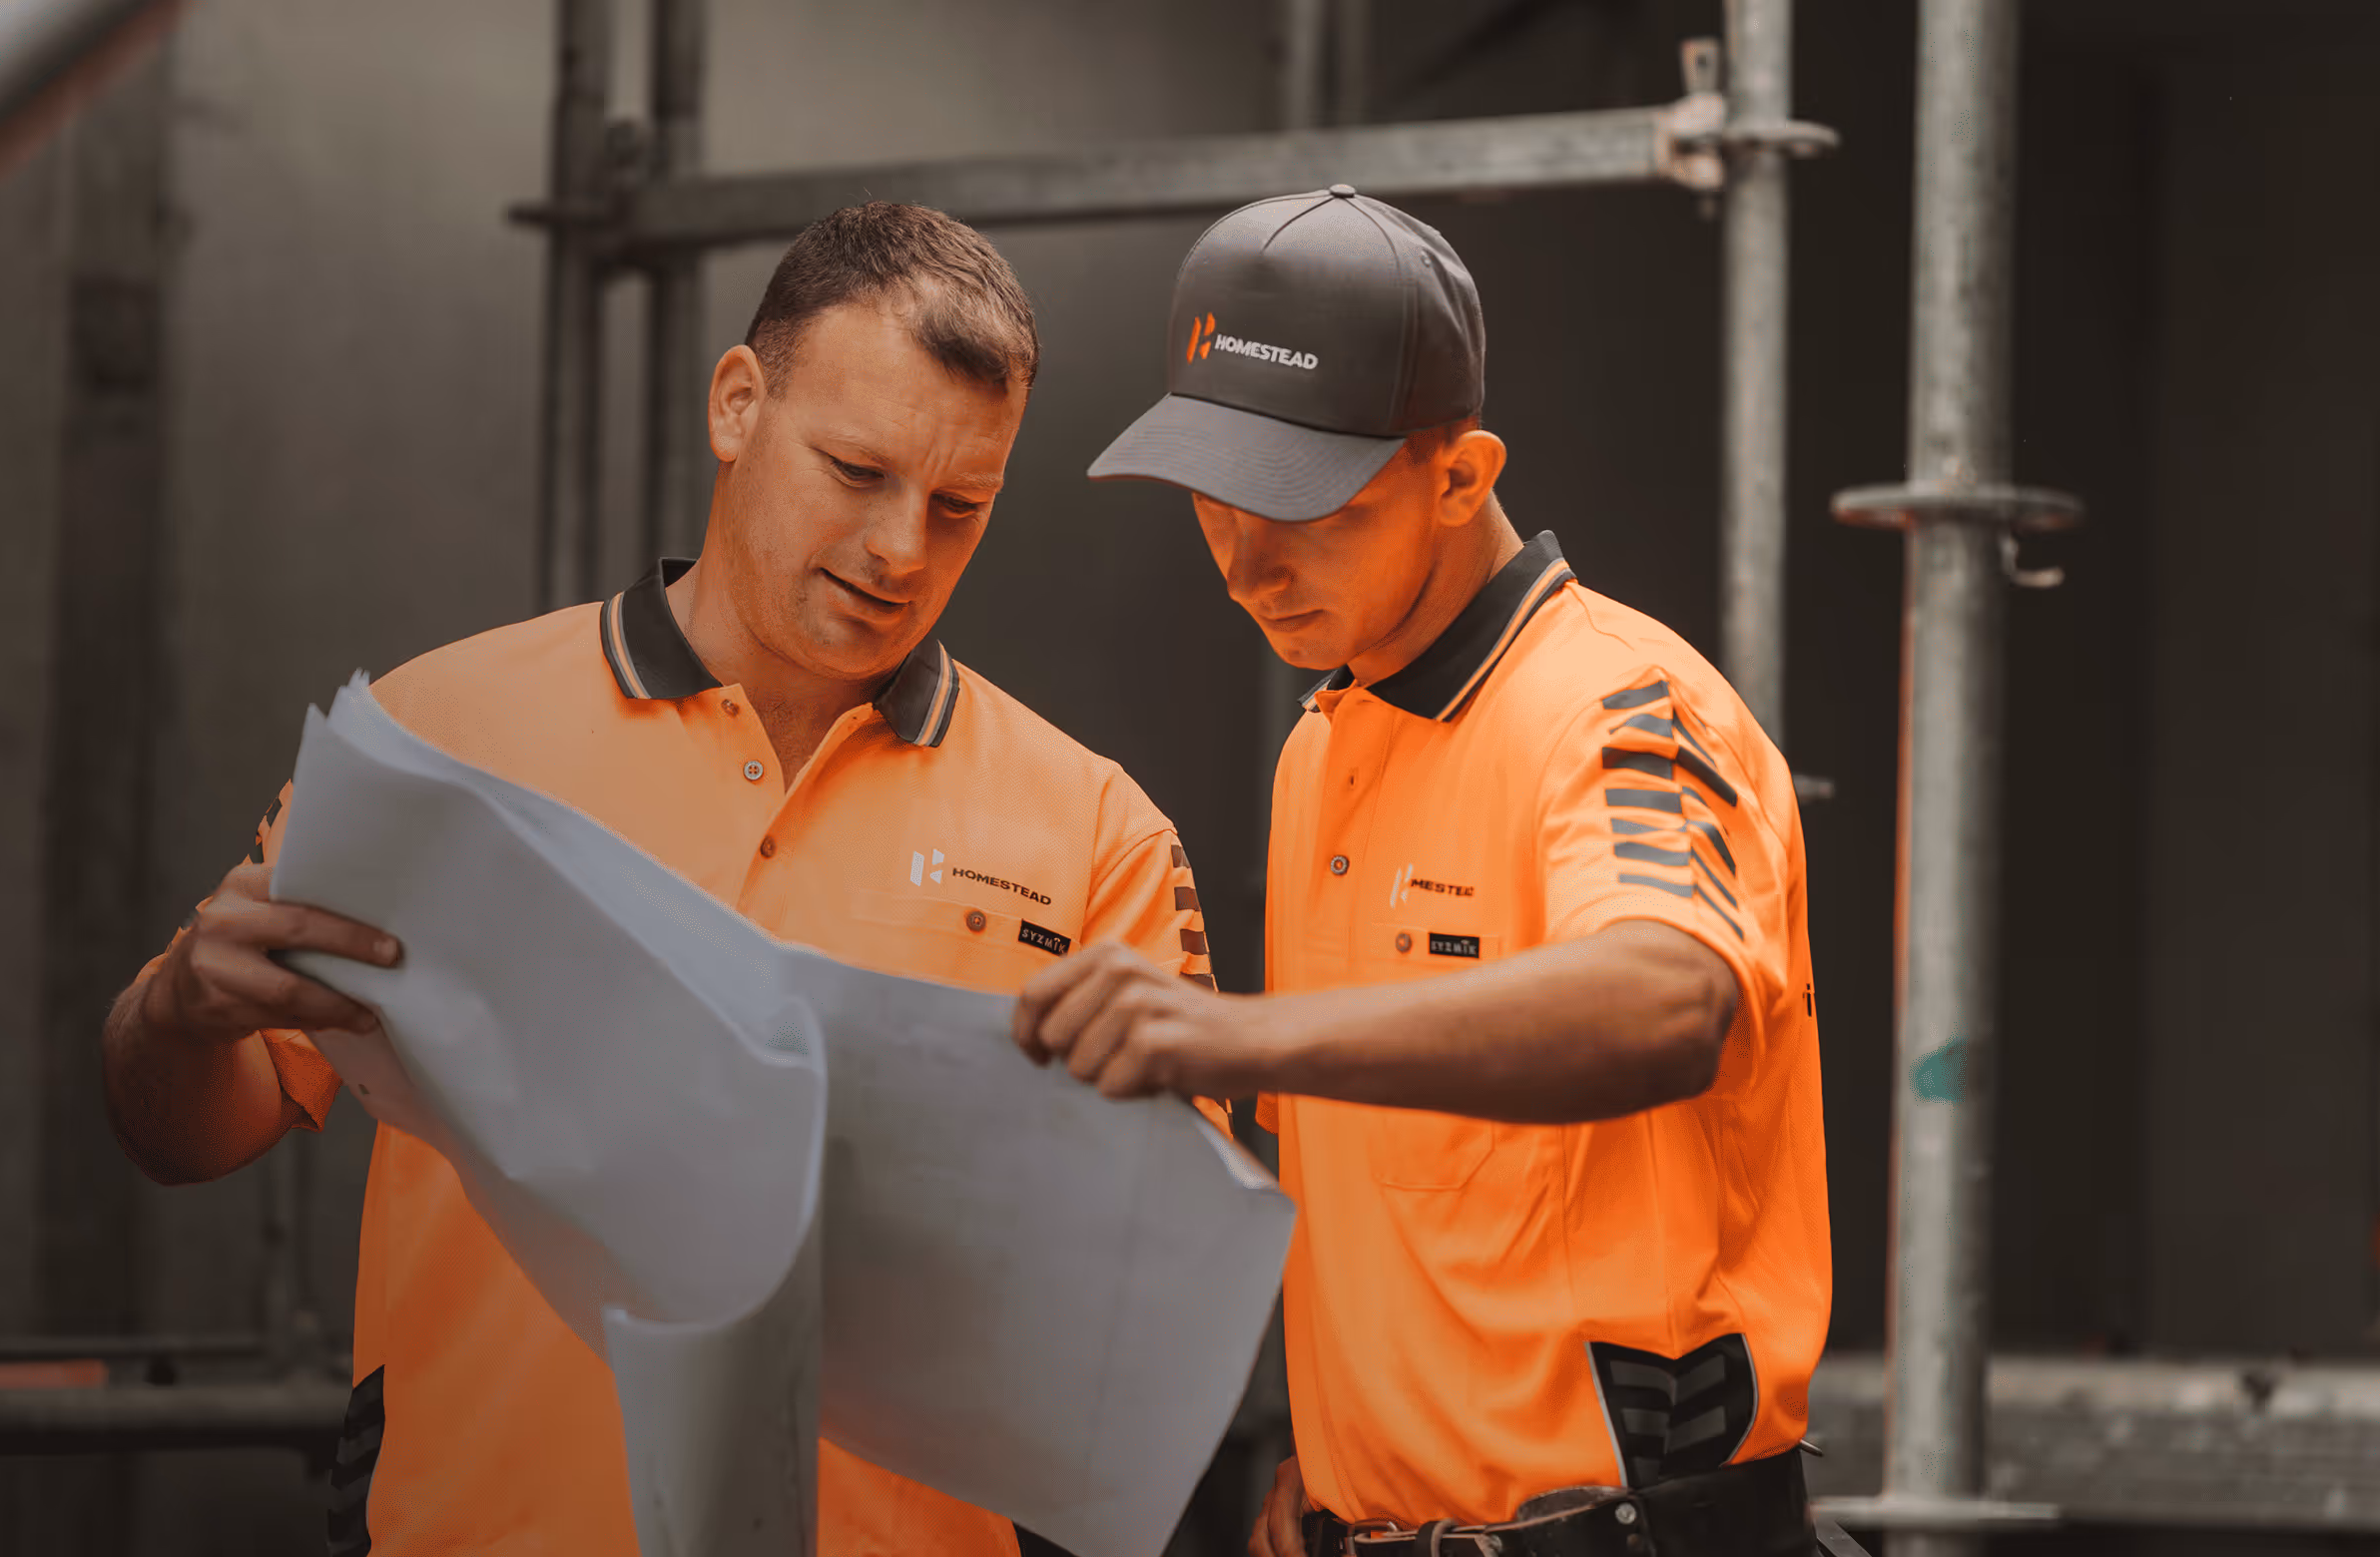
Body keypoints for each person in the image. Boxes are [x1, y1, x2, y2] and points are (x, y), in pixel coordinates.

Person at [101, 203, 1214, 1556]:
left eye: (959, 507)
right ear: (738, 404)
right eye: (856, 471)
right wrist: (177, 1014)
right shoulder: (437, 735)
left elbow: (1159, 1306)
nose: (901, 551)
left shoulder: (1097, 832)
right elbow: (182, 1133)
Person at [1016, 187, 1830, 1557]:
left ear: (1459, 477)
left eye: (1303, 503)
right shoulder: (1326, 743)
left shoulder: (1620, 709)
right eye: (1211, 496)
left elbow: (1667, 1001)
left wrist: (1240, 1035)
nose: (1245, 560)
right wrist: (1349, 1476)